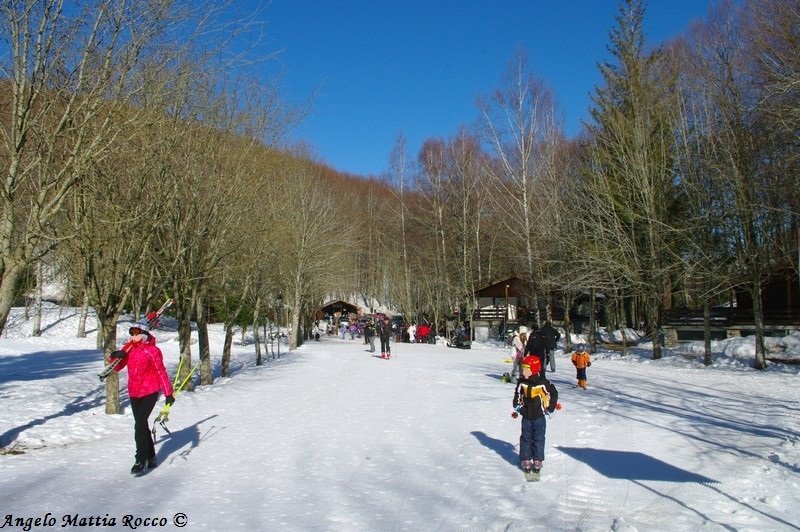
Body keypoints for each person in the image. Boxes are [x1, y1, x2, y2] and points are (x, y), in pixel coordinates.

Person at [110, 321, 174, 475]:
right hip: (134, 392)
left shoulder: (153, 351)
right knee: (141, 424)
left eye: (136, 332)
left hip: (150, 391)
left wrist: (168, 393)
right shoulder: (128, 348)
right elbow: (117, 367)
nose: (133, 335)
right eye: (131, 333)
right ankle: (151, 456)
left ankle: (141, 459)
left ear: (144, 334)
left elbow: (161, 372)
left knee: (139, 425)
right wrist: (114, 356)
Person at [512, 355, 559, 480]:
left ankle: (537, 459)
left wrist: (550, 407)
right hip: (526, 416)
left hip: (539, 417)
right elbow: (517, 394)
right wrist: (517, 406)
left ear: (533, 369)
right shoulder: (522, 382)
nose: (523, 371)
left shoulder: (543, 383)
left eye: (525, 368)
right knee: (526, 438)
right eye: (522, 368)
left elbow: (554, 393)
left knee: (538, 439)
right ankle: (525, 459)